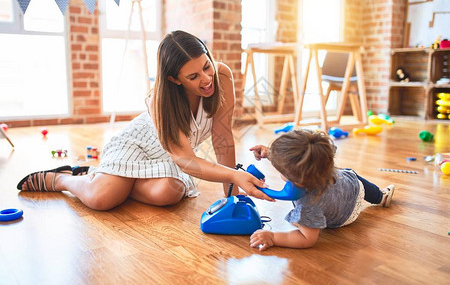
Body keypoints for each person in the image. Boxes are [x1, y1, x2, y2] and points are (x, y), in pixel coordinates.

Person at [17, 30, 273, 210]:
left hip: (168, 158)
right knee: (101, 200)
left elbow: (223, 139)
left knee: (168, 194)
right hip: (135, 147)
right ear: (174, 79)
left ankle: (111, 179)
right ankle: (65, 178)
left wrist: (232, 197)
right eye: (193, 76)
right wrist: (236, 176)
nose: (206, 79)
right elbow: (186, 160)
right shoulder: (158, 100)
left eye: (206, 66)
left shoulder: (222, 76)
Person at [248, 129, 395, 250]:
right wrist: (270, 154)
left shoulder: (308, 205)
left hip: (345, 216)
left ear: (297, 180)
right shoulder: (319, 152)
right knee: (350, 173)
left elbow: (307, 239)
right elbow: (296, 159)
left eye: (281, 169)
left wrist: (273, 237)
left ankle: (378, 197)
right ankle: (380, 197)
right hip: (349, 184)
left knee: (308, 220)